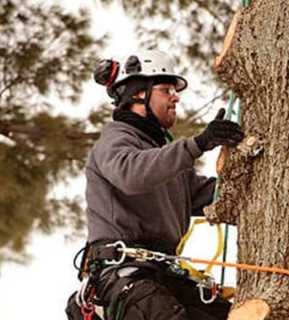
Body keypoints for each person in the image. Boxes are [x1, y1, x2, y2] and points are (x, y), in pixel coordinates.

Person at [67, 50, 244, 320]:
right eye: (166, 89)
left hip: (163, 275)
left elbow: (212, 195)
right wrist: (198, 144)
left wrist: (252, 184)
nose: (175, 96)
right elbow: (131, 173)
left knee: (226, 314)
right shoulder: (115, 139)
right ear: (139, 94)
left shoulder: (162, 160)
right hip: (125, 276)